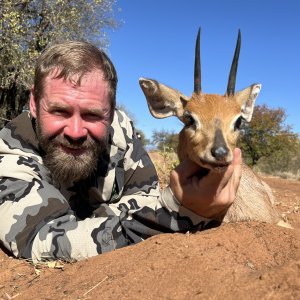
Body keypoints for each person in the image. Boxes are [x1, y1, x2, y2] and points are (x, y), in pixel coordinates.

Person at [0, 41, 242, 262]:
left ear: (111, 111)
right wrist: (177, 214)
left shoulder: (120, 132)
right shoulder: (9, 156)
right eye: (59, 111)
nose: (75, 132)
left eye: (92, 114)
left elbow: (145, 198)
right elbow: (45, 239)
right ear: (33, 103)